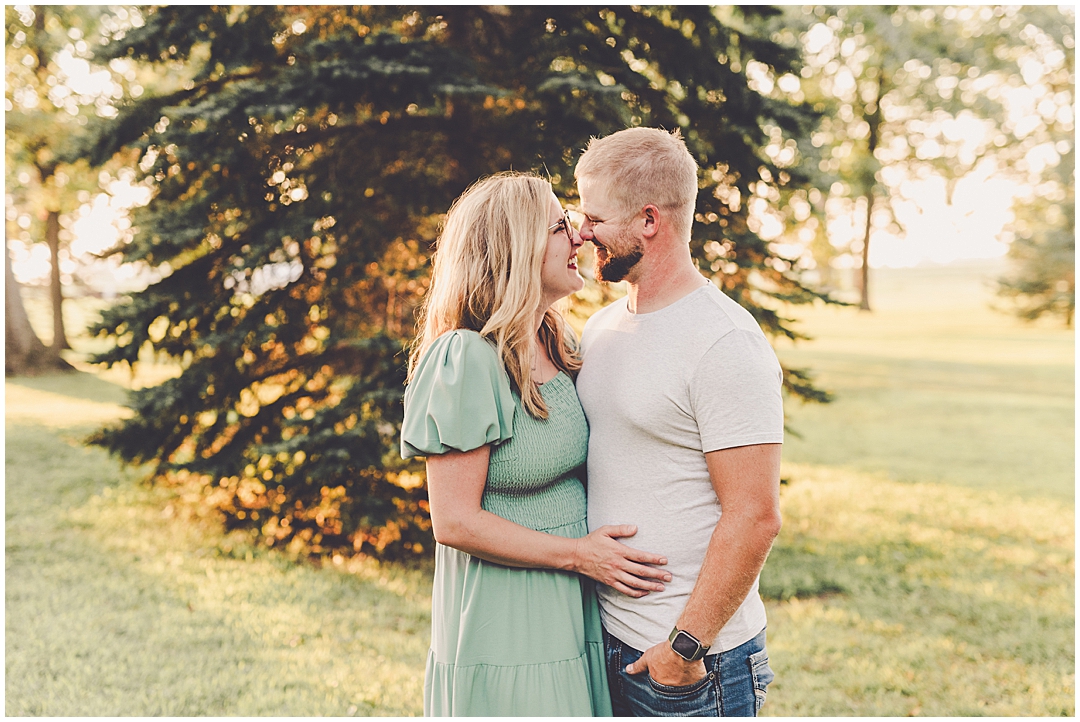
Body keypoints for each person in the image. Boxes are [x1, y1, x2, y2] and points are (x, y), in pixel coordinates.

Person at [399, 172, 672, 717]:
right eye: (558, 227)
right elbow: (454, 520)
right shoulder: (467, 357)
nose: (579, 237)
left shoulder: (557, 339)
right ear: (514, 247)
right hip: (506, 625)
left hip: (571, 613)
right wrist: (579, 555)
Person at [574, 127, 785, 717]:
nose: (582, 231)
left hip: (688, 664)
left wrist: (685, 646)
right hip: (606, 641)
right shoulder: (602, 327)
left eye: (595, 217)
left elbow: (756, 515)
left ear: (648, 220)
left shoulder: (725, 341)